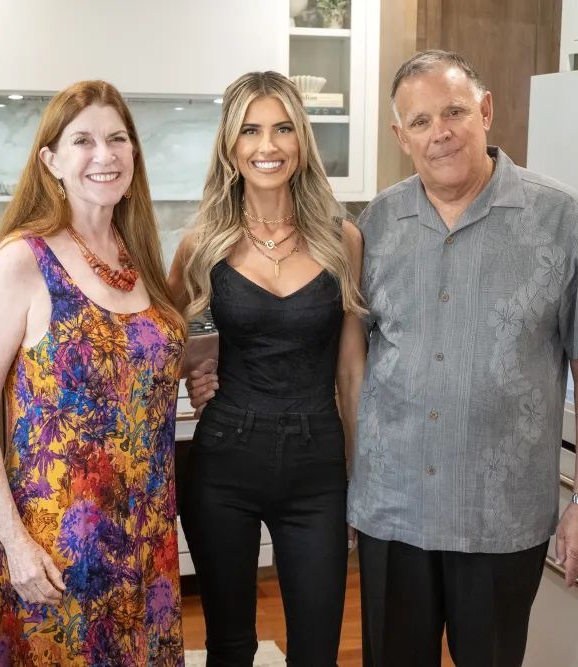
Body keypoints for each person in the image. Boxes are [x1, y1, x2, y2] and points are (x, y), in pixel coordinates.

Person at [189, 50, 578, 667]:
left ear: (486, 111)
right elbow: (327, 351)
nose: (439, 133)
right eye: (419, 121)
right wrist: (204, 361)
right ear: (400, 136)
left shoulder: (557, 217)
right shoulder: (379, 224)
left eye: (454, 112)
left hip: (498, 513)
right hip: (394, 514)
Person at [0, 80, 212, 665]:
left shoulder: (139, 255)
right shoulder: (25, 261)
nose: (105, 154)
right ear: (51, 160)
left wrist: (200, 371)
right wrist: (15, 545)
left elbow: (137, 375)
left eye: (117, 138)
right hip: (60, 546)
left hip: (148, 538)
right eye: (83, 140)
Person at [168, 70, 366, 667]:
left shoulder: (342, 240)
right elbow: (163, 346)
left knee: (317, 648)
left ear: (301, 140)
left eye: (282, 128)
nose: (268, 145)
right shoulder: (201, 244)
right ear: (231, 147)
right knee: (231, 645)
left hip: (318, 467)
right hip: (225, 457)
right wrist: (199, 362)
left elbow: (351, 371)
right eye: (250, 131)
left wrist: (359, 473)